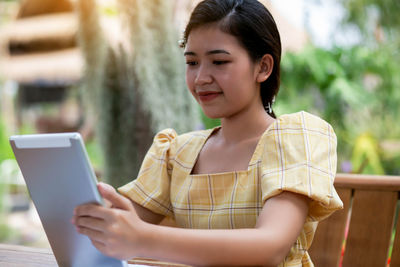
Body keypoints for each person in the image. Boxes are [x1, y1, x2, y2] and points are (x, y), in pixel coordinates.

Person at [72, 0, 343, 266]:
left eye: (219, 62)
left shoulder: (294, 139)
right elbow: (126, 225)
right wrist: (101, 219)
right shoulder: (177, 154)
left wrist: (144, 238)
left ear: (263, 67)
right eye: (192, 63)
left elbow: (270, 247)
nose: (201, 78)